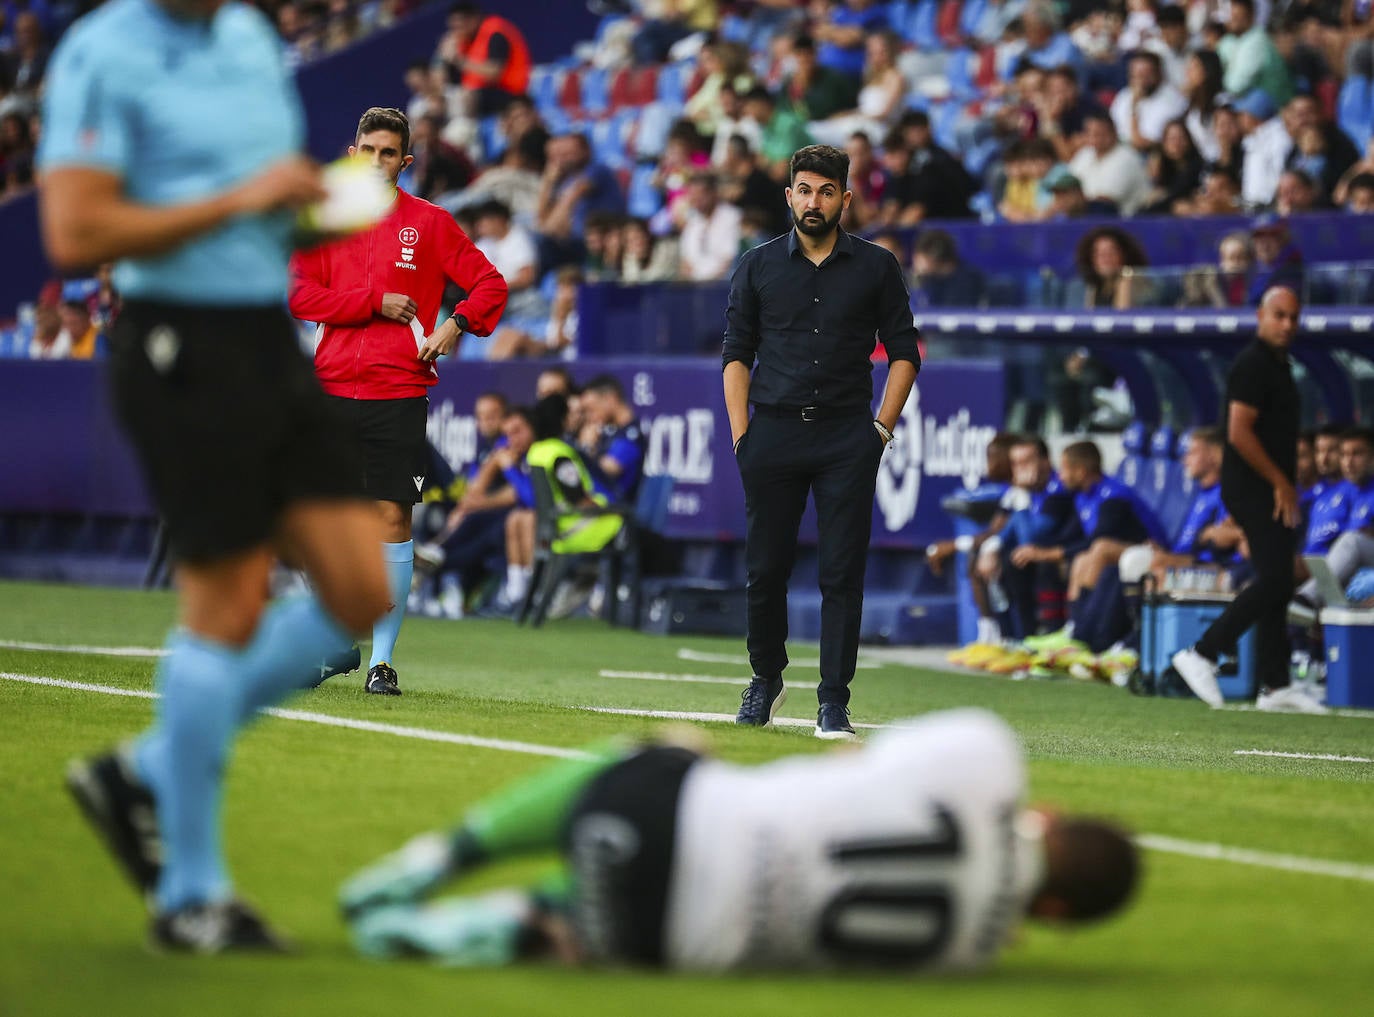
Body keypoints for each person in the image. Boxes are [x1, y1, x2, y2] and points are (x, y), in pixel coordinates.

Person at [39, 0, 394, 951]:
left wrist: (318, 208)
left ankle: (146, 768)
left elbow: (272, 209)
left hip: (269, 340)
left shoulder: (245, 38)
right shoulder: (103, 51)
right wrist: (239, 200)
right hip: (176, 343)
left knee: (361, 587)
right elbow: (75, 232)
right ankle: (190, 896)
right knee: (228, 605)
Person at [338, 708, 1139, 971]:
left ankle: (448, 855)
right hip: (663, 940)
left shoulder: (988, 753)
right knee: (612, 910)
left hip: (661, 817)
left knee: (668, 747)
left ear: (1052, 814)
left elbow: (856, 758)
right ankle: (526, 921)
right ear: (1058, 913)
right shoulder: (969, 953)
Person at [289, 107, 508, 696]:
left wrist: (454, 326)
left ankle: (381, 661)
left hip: (399, 390)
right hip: (331, 386)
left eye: (390, 153)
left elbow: (490, 283)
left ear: (405, 161)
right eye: (369, 149)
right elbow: (298, 292)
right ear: (352, 151)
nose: (378, 161)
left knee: (391, 519)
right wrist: (370, 302)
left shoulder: (430, 223)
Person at [723, 143, 920, 739]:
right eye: (804, 191)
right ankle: (766, 679)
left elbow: (906, 352)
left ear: (845, 200)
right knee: (765, 570)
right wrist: (742, 439)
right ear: (789, 197)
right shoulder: (756, 265)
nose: (814, 202)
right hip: (772, 433)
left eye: (826, 192)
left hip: (845, 437)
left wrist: (881, 429)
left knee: (841, 574)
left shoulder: (876, 265)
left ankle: (834, 699)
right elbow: (737, 354)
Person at [1173, 287, 1327, 714]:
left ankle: (1274, 685)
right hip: (1254, 488)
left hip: (1271, 489)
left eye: (1294, 317)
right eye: (1279, 315)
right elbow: (1239, 431)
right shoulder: (1253, 364)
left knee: (1277, 581)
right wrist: (1281, 482)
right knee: (1276, 580)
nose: (1287, 325)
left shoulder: (1281, 365)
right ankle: (1202, 652)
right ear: (1260, 315)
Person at [432, 1, 531, 118]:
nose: (456, 31)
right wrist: (440, 57)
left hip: (512, 92)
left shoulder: (496, 32)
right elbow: (439, 85)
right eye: (453, 27)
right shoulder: (463, 40)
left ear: (474, 19)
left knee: (465, 98)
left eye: (460, 26)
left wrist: (459, 60)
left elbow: (495, 73)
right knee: (435, 103)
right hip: (482, 96)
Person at [578, 373, 646, 505]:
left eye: (591, 410)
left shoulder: (630, 436)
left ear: (610, 399)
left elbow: (610, 468)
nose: (588, 417)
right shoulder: (609, 433)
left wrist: (586, 447)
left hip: (613, 510)